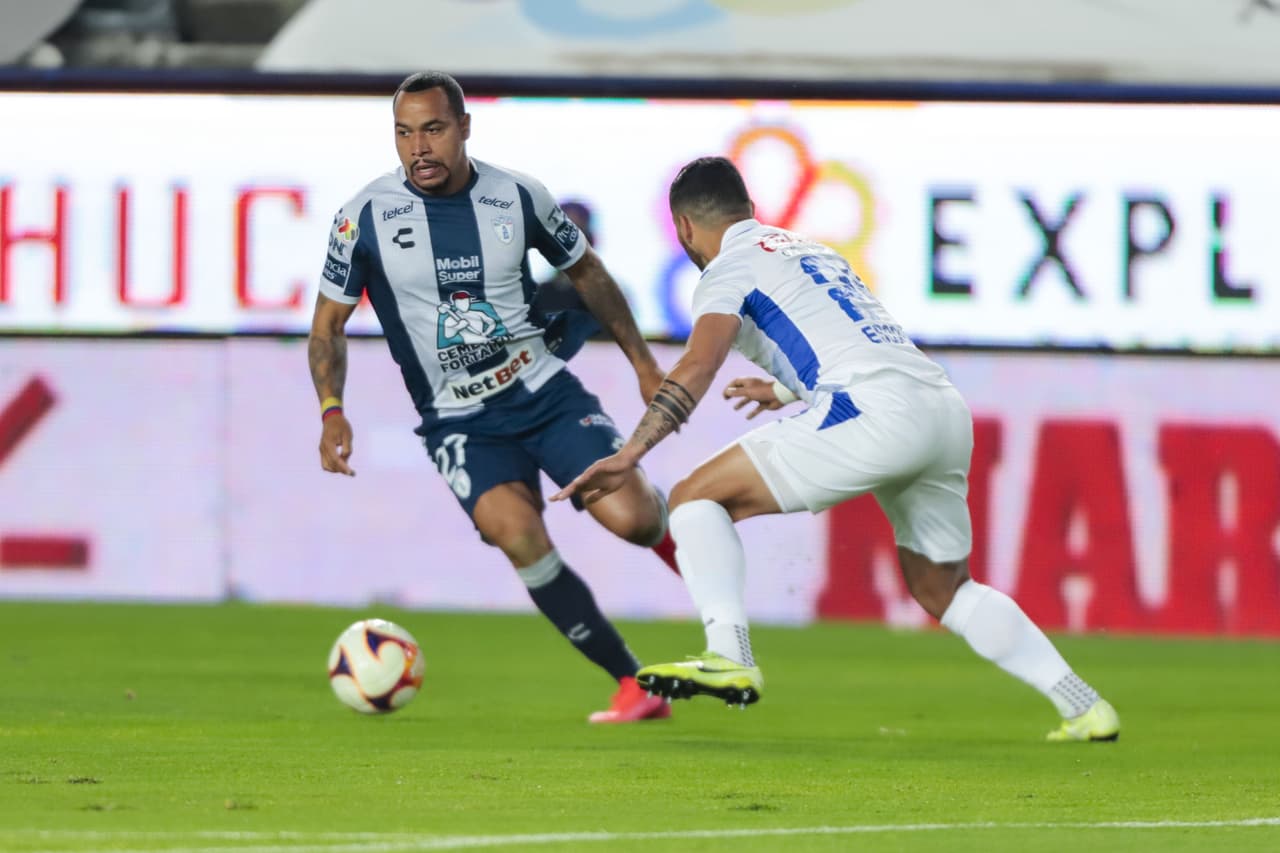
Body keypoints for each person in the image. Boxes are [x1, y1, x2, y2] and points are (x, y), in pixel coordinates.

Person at [553, 156, 1120, 742]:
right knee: (942, 587)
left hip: (871, 411)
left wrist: (631, 453)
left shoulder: (724, 270)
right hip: (940, 408)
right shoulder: (811, 250)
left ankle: (729, 654)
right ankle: (1083, 705)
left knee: (697, 497)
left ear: (685, 229)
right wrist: (779, 388)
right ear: (749, 210)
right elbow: (847, 335)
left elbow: (698, 364)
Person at [307, 71, 679, 724]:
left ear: (464, 127)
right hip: (459, 421)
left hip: (543, 393)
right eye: (404, 132)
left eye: (433, 129)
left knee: (635, 521)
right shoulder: (361, 217)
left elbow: (586, 272)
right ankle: (632, 683)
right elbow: (327, 327)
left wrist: (644, 363)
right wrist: (331, 409)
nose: (418, 147)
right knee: (515, 531)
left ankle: (692, 533)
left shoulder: (517, 196)